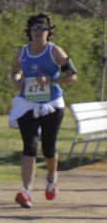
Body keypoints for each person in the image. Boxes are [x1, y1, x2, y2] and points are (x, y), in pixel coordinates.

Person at [7, 12, 78, 209]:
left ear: (48, 32)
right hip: (27, 104)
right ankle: (26, 192)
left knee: (48, 148)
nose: (38, 32)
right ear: (29, 32)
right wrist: (16, 82)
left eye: (42, 29)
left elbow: (72, 76)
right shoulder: (22, 52)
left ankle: (51, 177)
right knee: (29, 146)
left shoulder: (55, 51)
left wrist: (51, 80)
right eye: (35, 29)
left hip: (52, 104)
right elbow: (15, 72)